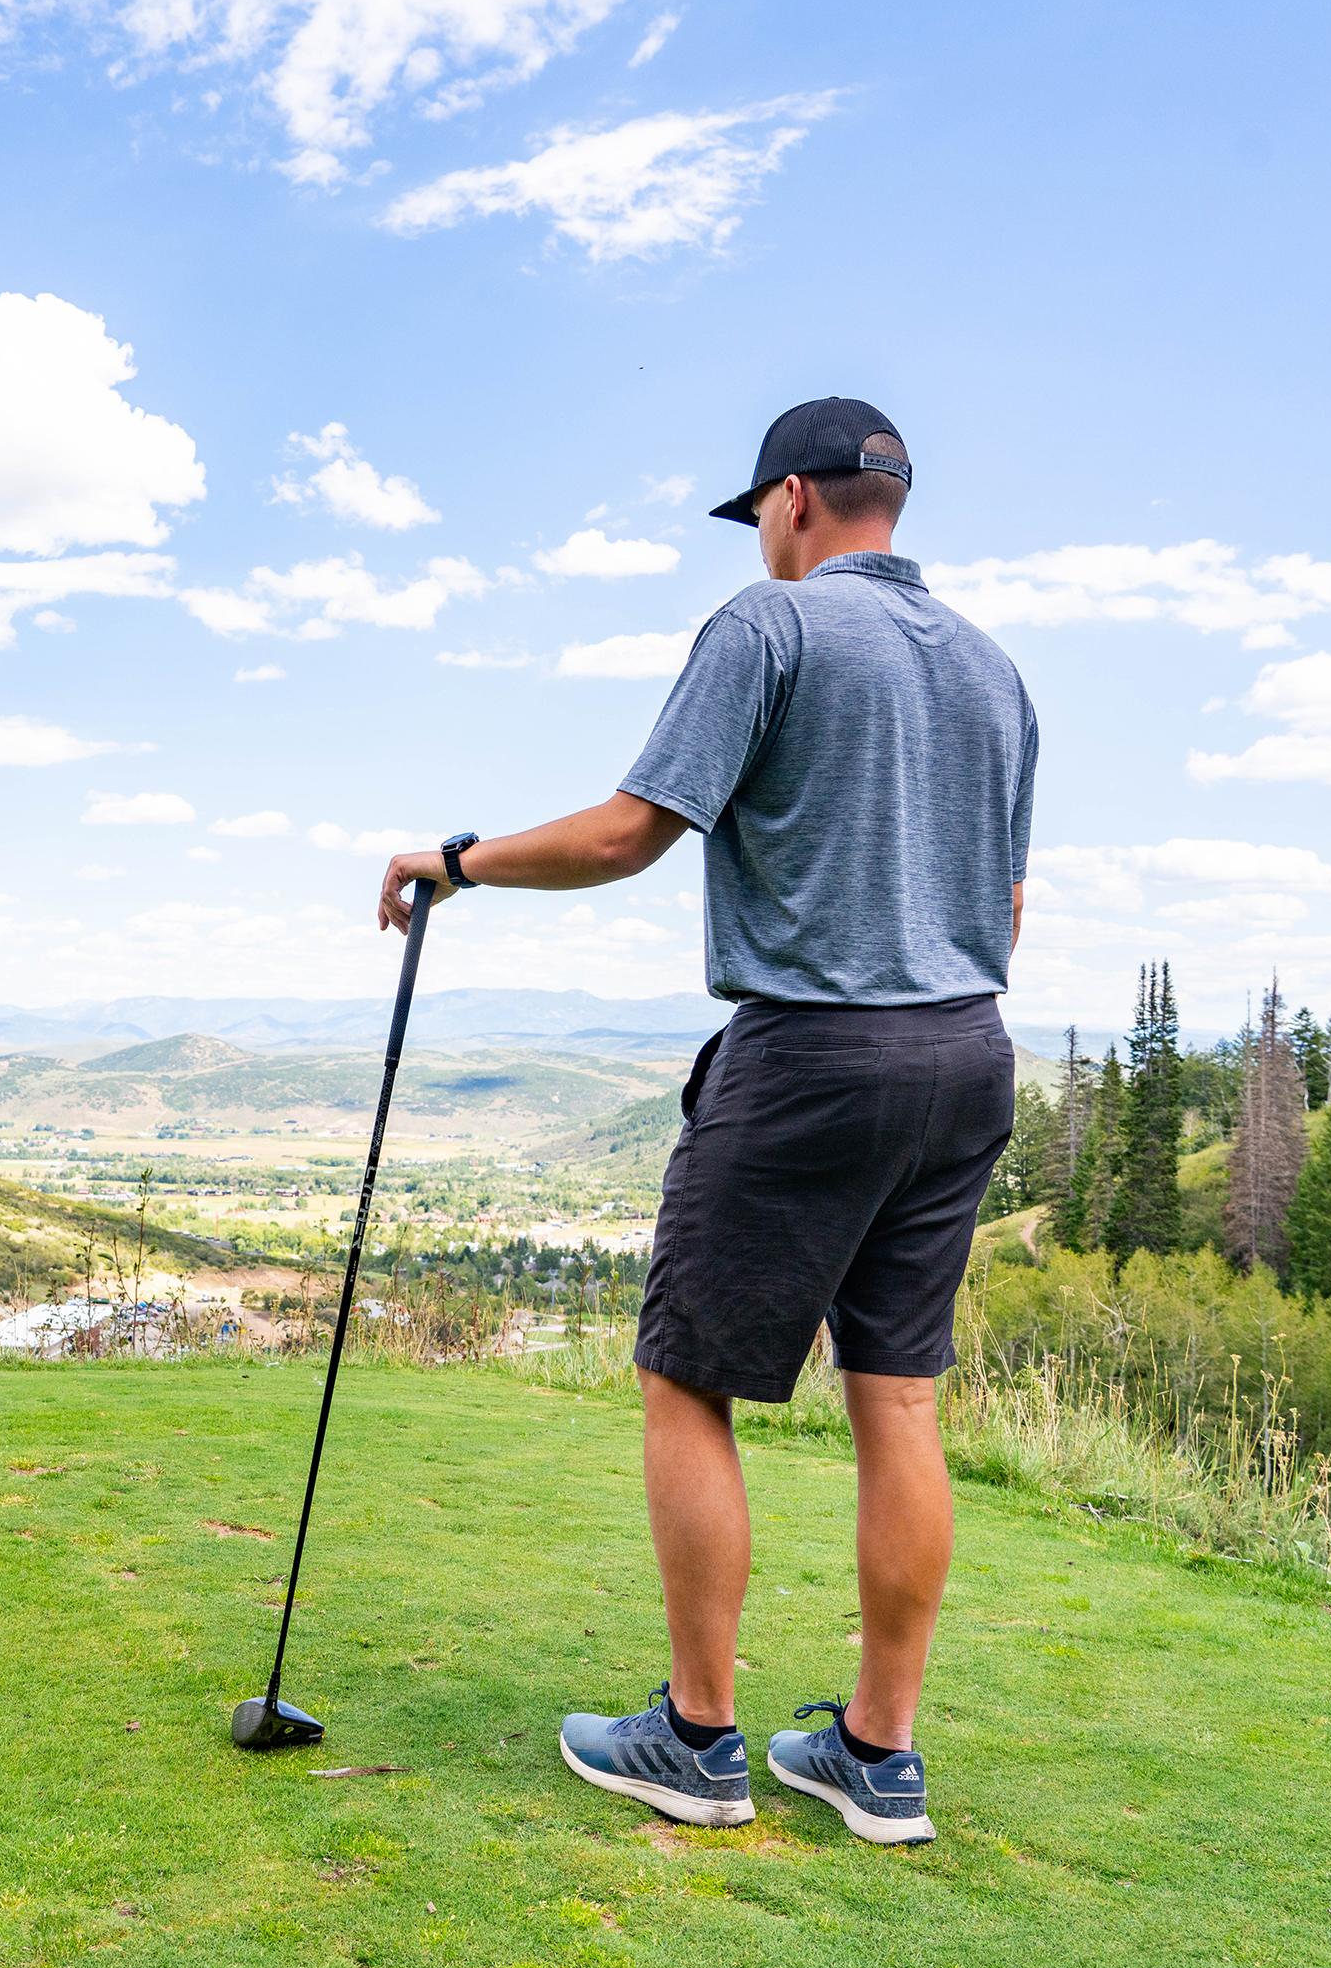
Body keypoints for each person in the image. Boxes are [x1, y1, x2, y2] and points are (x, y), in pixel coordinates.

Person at [374, 399, 1033, 1844]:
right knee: (900, 1397)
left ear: (793, 499)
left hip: (813, 1054)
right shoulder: (994, 671)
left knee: (687, 1377)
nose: (768, 544)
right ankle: (877, 1754)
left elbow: (632, 830)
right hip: (969, 1052)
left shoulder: (766, 628)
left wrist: (458, 861)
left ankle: (699, 1740)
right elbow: (1008, 907)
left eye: (765, 519)